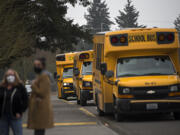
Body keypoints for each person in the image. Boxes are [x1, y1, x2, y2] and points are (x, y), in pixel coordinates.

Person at [27, 58, 54, 135]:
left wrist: (33, 85)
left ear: (43, 66)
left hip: (41, 108)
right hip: (37, 107)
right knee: (38, 131)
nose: (36, 66)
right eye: (35, 65)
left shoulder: (44, 76)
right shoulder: (39, 76)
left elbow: (42, 92)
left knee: (39, 131)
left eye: (38, 65)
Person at [0, 69, 28, 135]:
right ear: (5, 77)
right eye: (8, 75)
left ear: (15, 76)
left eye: (12, 75)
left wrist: (20, 111)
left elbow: (26, 100)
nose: (10, 76)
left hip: (15, 116)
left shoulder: (20, 87)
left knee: (18, 133)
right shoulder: (2, 87)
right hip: (3, 117)